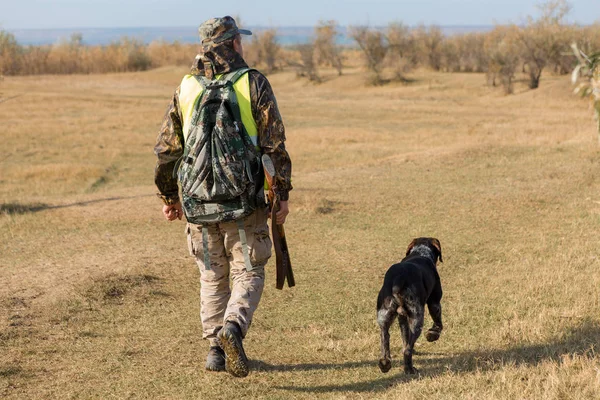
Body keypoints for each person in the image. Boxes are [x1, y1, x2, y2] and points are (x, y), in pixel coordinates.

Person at [153, 16, 292, 378]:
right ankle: (232, 328)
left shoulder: (186, 87)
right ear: (232, 43)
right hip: (243, 205)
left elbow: (167, 150)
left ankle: (216, 351)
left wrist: (170, 198)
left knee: (212, 276)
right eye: (239, 41)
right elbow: (274, 145)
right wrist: (282, 195)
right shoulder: (252, 82)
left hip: (198, 205)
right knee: (248, 270)